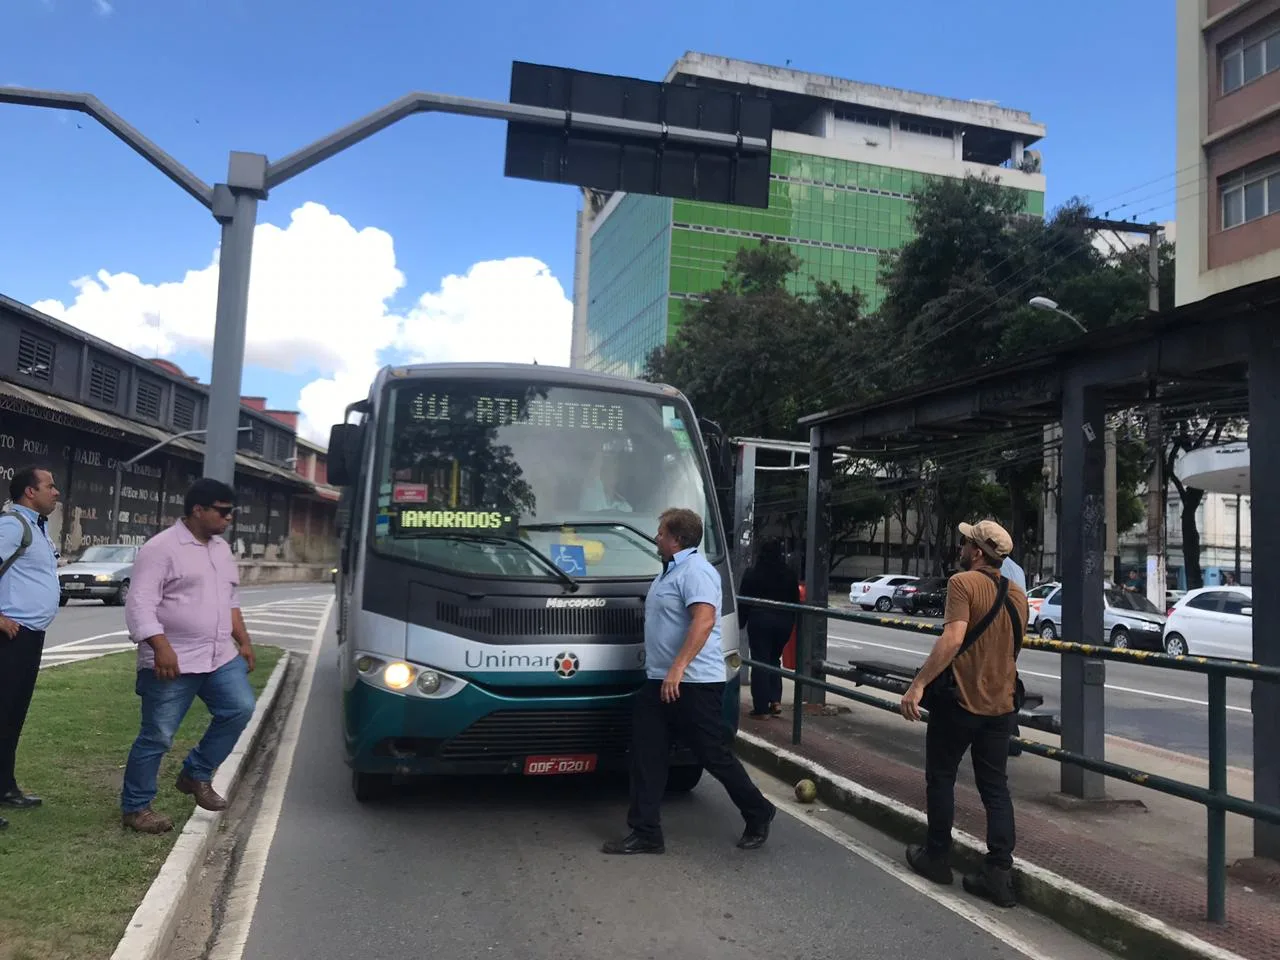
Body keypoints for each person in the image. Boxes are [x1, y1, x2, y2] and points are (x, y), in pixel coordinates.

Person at [603, 507, 777, 855]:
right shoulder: (669, 572)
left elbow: (704, 621)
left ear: (676, 539)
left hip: (693, 682)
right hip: (660, 681)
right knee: (646, 753)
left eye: (661, 533)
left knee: (712, 753)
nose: (656, 538)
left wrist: (678, 668)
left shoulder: (696, 572)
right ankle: (646, 832)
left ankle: (758, 811)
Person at [898, 519, 1027, 908]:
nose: (961, 546)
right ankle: (998, 873)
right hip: (1001, 705)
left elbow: (953, 638)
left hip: (959, 702)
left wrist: (918, 684)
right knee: (995, 789)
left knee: (941, 777)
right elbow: (1012, 647)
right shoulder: (1018, 595)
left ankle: (937, 856)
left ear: (977, 552)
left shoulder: (962, 583)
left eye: (966, 542)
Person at [120, 478, 257, 834]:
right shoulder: (161, 548)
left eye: (231, 513)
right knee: (158, 735)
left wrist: (243, 641)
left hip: (218, 655)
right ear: (199, 510)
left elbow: (230, 601)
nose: (229, 519)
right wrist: (161, 647)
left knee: (239, 708)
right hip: (173, 659)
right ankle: (136, 808)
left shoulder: (221, 549)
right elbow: (139, 604)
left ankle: (195, 773)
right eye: (223, 512)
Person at [0, 466, 62, 830]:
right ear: (29, 492)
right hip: (9, 638)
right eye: (50, 486)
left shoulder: (37, 529)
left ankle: (5, 787)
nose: (56, 492)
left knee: (12, 717)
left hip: (29, 637)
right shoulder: (12, 527)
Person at [738, 539, 799, 719]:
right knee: (774, 659)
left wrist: (740, 622)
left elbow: (744, 600)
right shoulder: (789, 573)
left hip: (760, 620)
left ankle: (761, 708)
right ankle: (775, 700)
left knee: (760, 662)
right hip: (784, 621)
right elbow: (795, 599)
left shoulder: (753, 573)